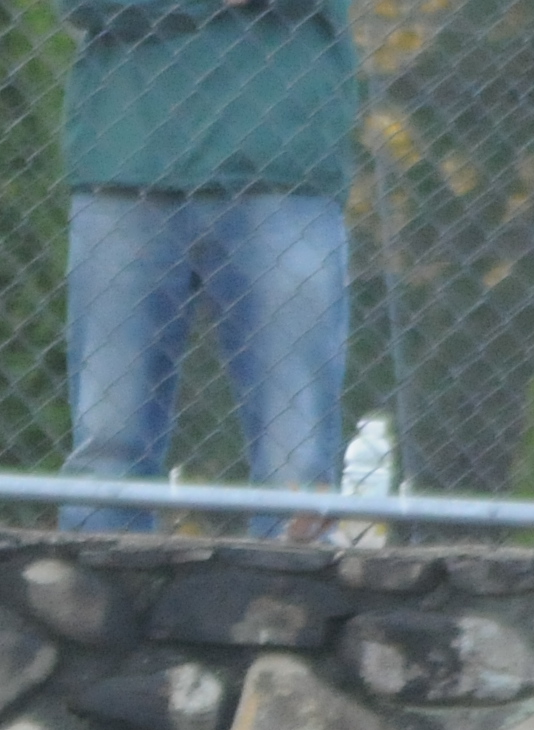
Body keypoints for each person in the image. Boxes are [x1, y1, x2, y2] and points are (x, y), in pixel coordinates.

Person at [55, 0, 360, 534]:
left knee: (295, 463)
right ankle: (95, 584)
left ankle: (295, 588)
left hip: (281, 170)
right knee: (109, 447)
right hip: (126, 164)